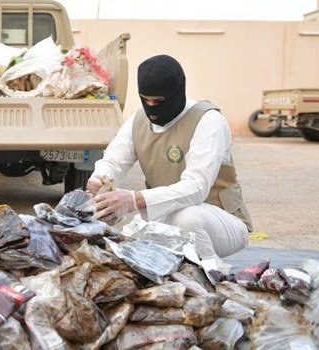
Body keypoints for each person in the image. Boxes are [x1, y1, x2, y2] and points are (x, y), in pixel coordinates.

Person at [87, 54, 252, 266]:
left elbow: (197, 187)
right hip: (168, 215)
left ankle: (212, 277)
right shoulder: (137, 121)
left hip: (221, 220)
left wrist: (132, 199)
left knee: (186, 218)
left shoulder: (209, 121)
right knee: (126, 239)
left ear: (177, 93)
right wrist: (100, 180)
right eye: (145, 100)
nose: (151, 108)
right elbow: (113, 161)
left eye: (158, 101)